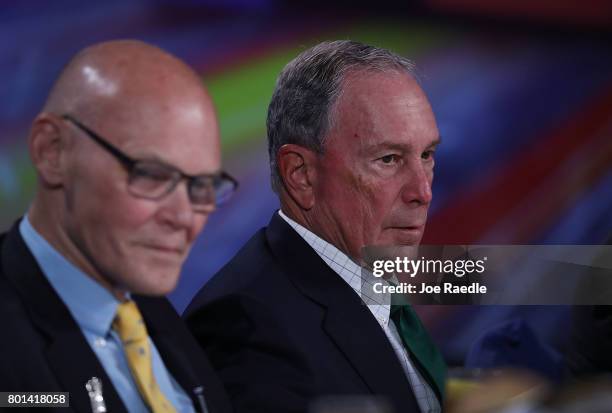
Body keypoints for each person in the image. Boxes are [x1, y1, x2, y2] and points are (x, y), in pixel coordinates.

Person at [185, 40, 446, 413]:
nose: (423, 191)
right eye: (389, 159)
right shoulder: (246, 326)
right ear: (301, 175)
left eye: (426, 155)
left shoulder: (367, 273)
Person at [0, 40, 237, 413]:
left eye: (201, 187)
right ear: (52, 151)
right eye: (152, 175)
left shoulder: (153, 313)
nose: (184, 217)